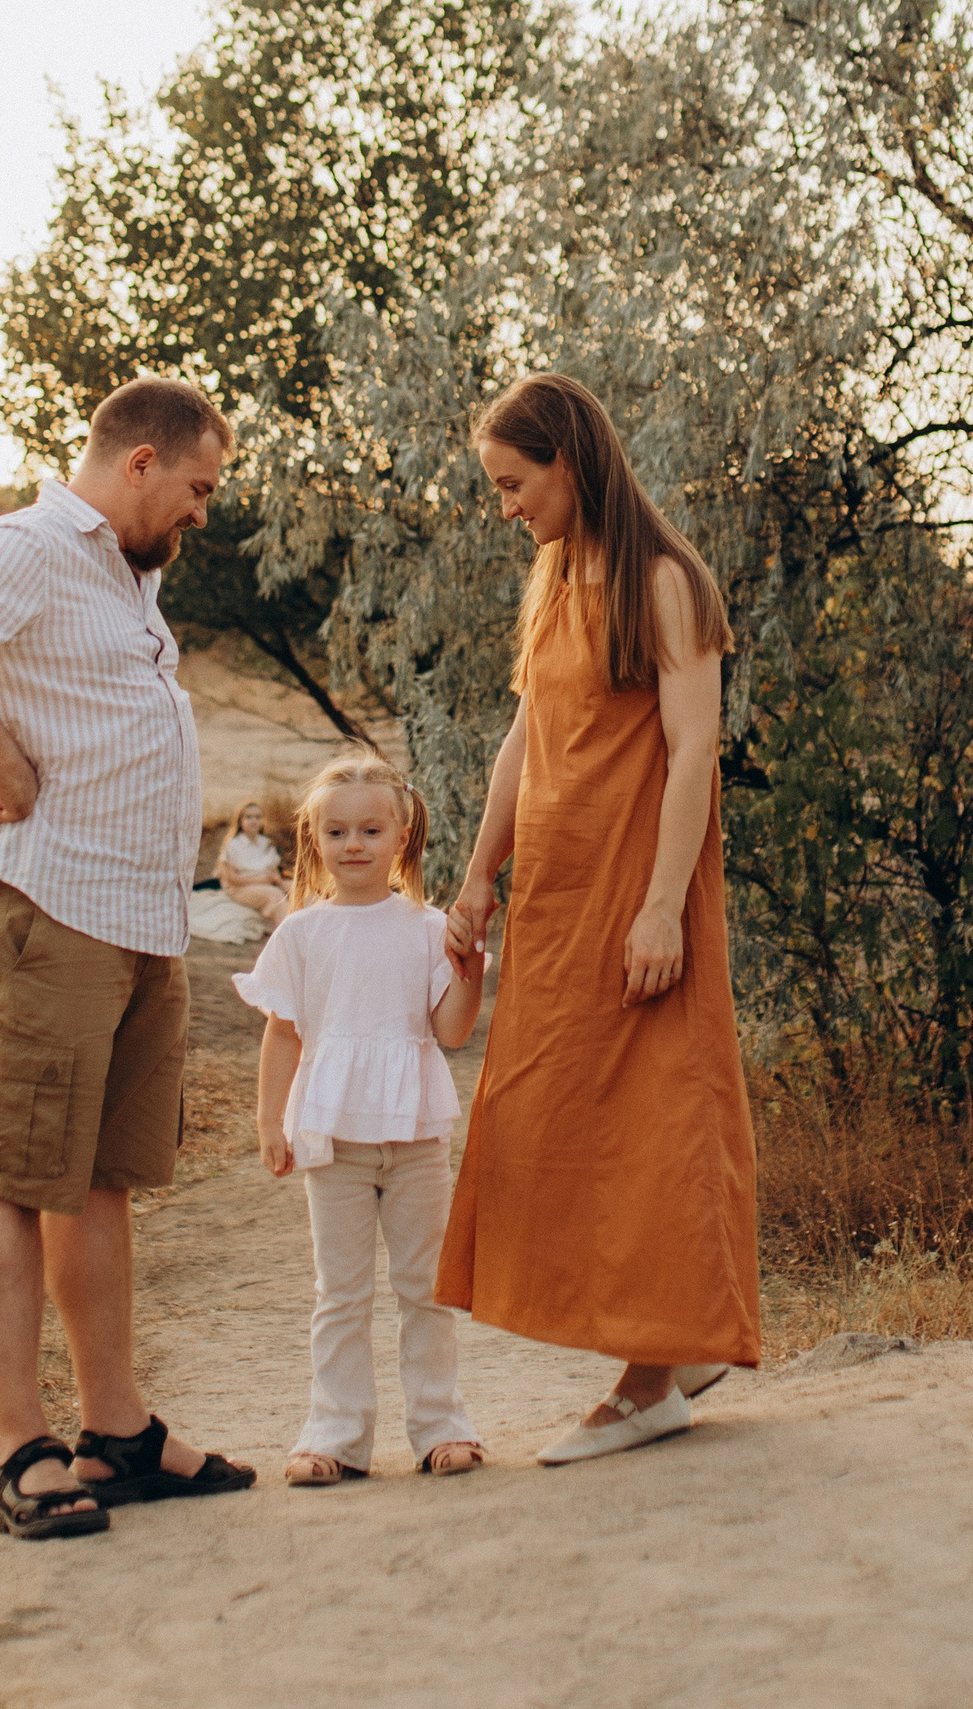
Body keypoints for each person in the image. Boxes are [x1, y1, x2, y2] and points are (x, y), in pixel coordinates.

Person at [0, 374, 259, 1540]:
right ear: (140, 462)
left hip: (133, 917)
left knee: (98, 1179)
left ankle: (116, 1433)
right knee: (11, 1172)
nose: (201, 511)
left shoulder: (123, 576)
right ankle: (21, 1450)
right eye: (197, 487)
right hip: (49, 907)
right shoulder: (36, 544)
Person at [438, 371, 761, 1465]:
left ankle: (649, 1381)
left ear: (569, 462)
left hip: (638, 894)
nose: (506, 507)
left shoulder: (665, 582)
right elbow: (522, 743)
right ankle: (678, 1343)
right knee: (544, 1122)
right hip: (556, 898)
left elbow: (692, 752)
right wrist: (478, 875)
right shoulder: (551, 577)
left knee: (655, 1125)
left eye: (514, 484)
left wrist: (663, 908)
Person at [236, 752, 487, 1486]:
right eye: (337, 832)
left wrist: (469, 970)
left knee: (424, 1288)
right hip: (334, 1141)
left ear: (402, 836)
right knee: (340, 1294)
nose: (354, 845)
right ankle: (335, 1435)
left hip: (414, 1139)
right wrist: (270, 1121)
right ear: (314, 840)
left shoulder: (428, 929)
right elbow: (284, 1033)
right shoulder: (301, 934)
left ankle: (441, 1426)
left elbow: (450, 1030)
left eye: (371, 831)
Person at [217, 799, 289, 927]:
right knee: (274, 894)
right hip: (241, 887)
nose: (253, 821)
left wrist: (277, 879)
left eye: (257, 817)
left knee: (298, 889)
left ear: (262, 821)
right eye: (248, 817)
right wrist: (260, 880)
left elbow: (274, 870)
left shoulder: (266, 843)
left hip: (266, 882)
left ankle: (310, 929)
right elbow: (231, 879)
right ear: (240, 821)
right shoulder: (233, 844)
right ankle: (286, 932)